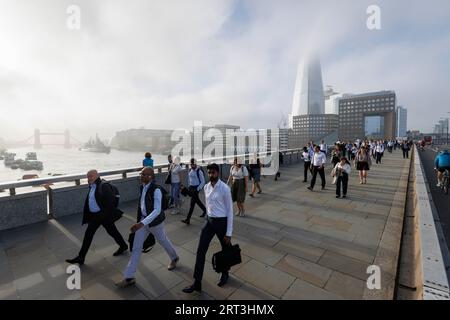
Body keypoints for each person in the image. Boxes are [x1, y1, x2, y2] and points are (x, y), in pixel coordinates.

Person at [116, 167, 179, 288]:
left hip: (155, 223)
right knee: (136, 247)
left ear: (150, 176)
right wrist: (139, 221)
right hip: (143, 222)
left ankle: (174, 257)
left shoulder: (156, 190)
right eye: (141, 174)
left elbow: (157, 210)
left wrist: (141, 223)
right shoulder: (142, 187)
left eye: (143, 174)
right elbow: (142, 205)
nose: (140, 176)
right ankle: (129, 277)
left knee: (163, 240)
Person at [183, 163, 233, 294]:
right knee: (200, 251)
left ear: (218, 172)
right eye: (209, 173)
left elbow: (230, 212)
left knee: (225, 250)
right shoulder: (206, 187)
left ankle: (225, 273)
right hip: (209, 222)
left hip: (222, 223)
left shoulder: (225, 188)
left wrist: (228, 232)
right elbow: (207, 204)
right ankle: (197, 282)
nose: (211, 175)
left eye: (213, 173)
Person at [66, 170, 128, 265]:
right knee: (109, 232)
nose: (89, 178)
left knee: (98, 233)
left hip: (102, 215)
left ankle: (81, 257)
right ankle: (81, 257)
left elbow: (111, 201)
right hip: (96, 216)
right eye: (87, 176)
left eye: (91, 176)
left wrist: (102, 215)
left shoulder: (103, 186)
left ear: (97, 175)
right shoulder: (92, 185)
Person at [182, 158, 206, 225]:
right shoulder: (190, 170)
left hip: (196, 188)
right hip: (191, 187)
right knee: (197, 201)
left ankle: (188, 219)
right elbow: (189, 179)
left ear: (195, 164)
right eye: (191, 164)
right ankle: (205, 211)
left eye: (193, 164)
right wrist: (188, 186)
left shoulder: (199, 171)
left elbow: (203, 181)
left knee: (192, 204)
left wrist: (198, 189)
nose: (192, 166)